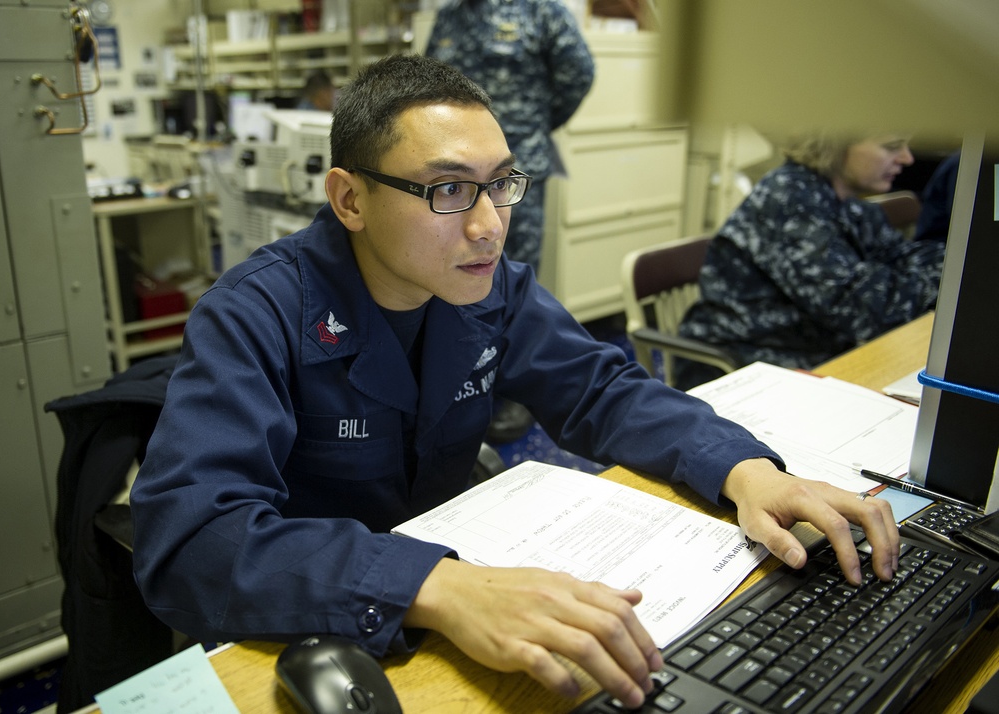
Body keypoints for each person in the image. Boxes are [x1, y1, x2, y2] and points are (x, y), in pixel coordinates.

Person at [130, 56, 898, 710]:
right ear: (350, 199)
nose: (489, 224)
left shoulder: (487, 285)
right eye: (449, 190)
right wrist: (440, 588)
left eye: (501, 184)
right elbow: (192, 541)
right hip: (311, 612)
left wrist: (744, 469)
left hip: (451, 586)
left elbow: (601, 388)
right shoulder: (252, 315)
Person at [425, 0, 596, 441]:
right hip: (450, 178)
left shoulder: (541, 12)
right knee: (452, 277)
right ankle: (457, 385)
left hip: (511, 172)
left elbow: (578, 75)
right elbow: (425, 91)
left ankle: (514, 395)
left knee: (509, 278)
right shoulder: (450, 16)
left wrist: (529, 126)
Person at [675, 133, 947, 390]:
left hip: (815, 352)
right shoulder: (790, 199)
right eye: (891, 146)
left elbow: (901, 256)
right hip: (751, 368)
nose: (906, 158)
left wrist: (935, 276)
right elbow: (866, 311)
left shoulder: (844, 200)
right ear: (836, 143)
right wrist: (942, 280)